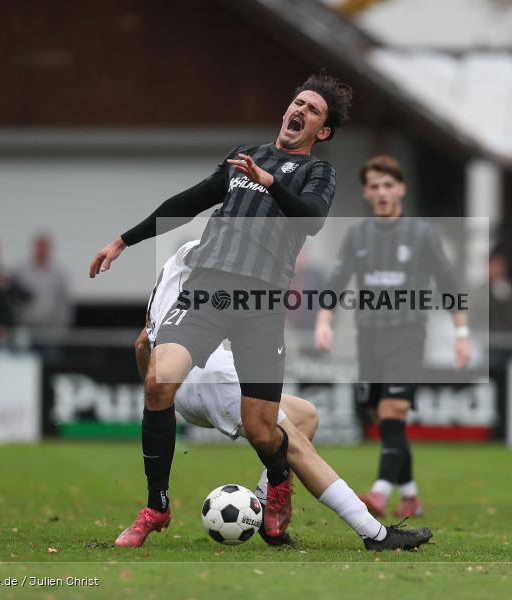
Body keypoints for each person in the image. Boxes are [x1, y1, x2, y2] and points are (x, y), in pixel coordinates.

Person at [91, 74, 429, 549]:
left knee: (263, 429)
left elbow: (310, 221)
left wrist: (268, 182)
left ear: (322, 131)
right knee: (159, 378)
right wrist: (123, 240)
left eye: (313, 111)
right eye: (299, 102)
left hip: (260, 304)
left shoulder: (318, 173)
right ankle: (157, 506)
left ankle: (277, 479)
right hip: (208, 290)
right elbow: (187, 202)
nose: (301, 111)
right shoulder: (242, 157)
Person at [117, 241, 433, 551]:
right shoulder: (231, 260)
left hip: (183, 389)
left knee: (306, 415)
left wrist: (162, 405)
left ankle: (269, 501)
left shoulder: (173, 273)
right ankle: (373, 532)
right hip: (217, 380)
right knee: (295, 447)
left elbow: (142, 344)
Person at [313, 155, 471, 519]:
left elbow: (449, 284)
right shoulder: (357, 235)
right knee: (385, 420)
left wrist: (461, 334)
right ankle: (411, 495)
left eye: (388, 185)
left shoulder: (422, 234)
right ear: (367, 193)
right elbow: (335, 282)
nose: (382, 192)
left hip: (408, 334)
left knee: (392, 411)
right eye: (375, 186)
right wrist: (325, 321)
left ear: (401, 189)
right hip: (369, 337)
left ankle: (380, 494)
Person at [13, 233, 73, 334]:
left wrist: (60, 329)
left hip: (50, 331)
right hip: (24, 329)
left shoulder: (58, 274)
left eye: (44, 248)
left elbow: (64, 302)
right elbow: (12, 299)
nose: (41, 251)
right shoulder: (20, 271)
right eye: (39, 247)